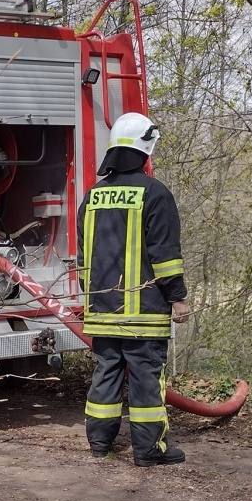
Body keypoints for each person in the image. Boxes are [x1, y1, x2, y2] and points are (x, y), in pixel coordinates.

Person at [77, 112, 191, 467]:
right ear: (146, 150)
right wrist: (178, 297)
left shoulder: (93, 196)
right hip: (143, 313)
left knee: (106, 373)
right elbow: (165, 255)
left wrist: (91, 297)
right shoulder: (155, 194)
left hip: (102, 309)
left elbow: (83, 256)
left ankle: (99, 443)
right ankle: (148, 450)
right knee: (145, 379)